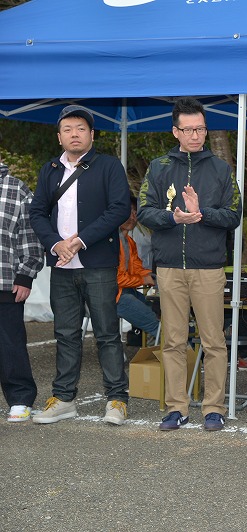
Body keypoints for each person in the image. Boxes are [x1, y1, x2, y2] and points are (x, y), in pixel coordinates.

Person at [138, 97, 242, 432]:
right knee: (173, 341)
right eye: (188, 130)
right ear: (175, 132)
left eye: (200, 129)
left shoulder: (221, 169)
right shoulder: (158, 167)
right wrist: (173, 217)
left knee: (214, 341)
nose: (195, 135)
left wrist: (202, 213)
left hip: (209, 268)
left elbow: (234, 215)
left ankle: (214, 408)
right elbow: (143, 212)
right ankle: (176, 407)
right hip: (169, 267)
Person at [29, 104, 131, 425]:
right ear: (59, 137)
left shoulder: (108, 166)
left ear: (91, 135)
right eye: (68, 130)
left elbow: (119, 209)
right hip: (61, 265)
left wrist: (80, 240)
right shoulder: (50, 170)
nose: (75, 134)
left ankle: (116, 399)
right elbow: (37, 212)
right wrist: (56, 243)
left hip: (98, 263)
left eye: (81, 129)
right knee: (65, 334)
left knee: (107, 333)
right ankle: (63, 398)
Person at [0, 159, 45, 422]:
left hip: (5, 281)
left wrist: (26, 275)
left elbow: (30, 236)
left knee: (10, 344)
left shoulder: (16, 188)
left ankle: (20, 398)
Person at [116, 193, 159, 344]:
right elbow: (115, 279)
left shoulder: (129, 241)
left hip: (126, 291)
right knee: (154, 323)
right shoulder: (110, 241)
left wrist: (151, 276)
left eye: (135, 213)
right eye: (129, 212)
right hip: (111, 296)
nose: (133, 217)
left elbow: (137, 267)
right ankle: (183, 353)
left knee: (157, 310)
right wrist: (143, 279)